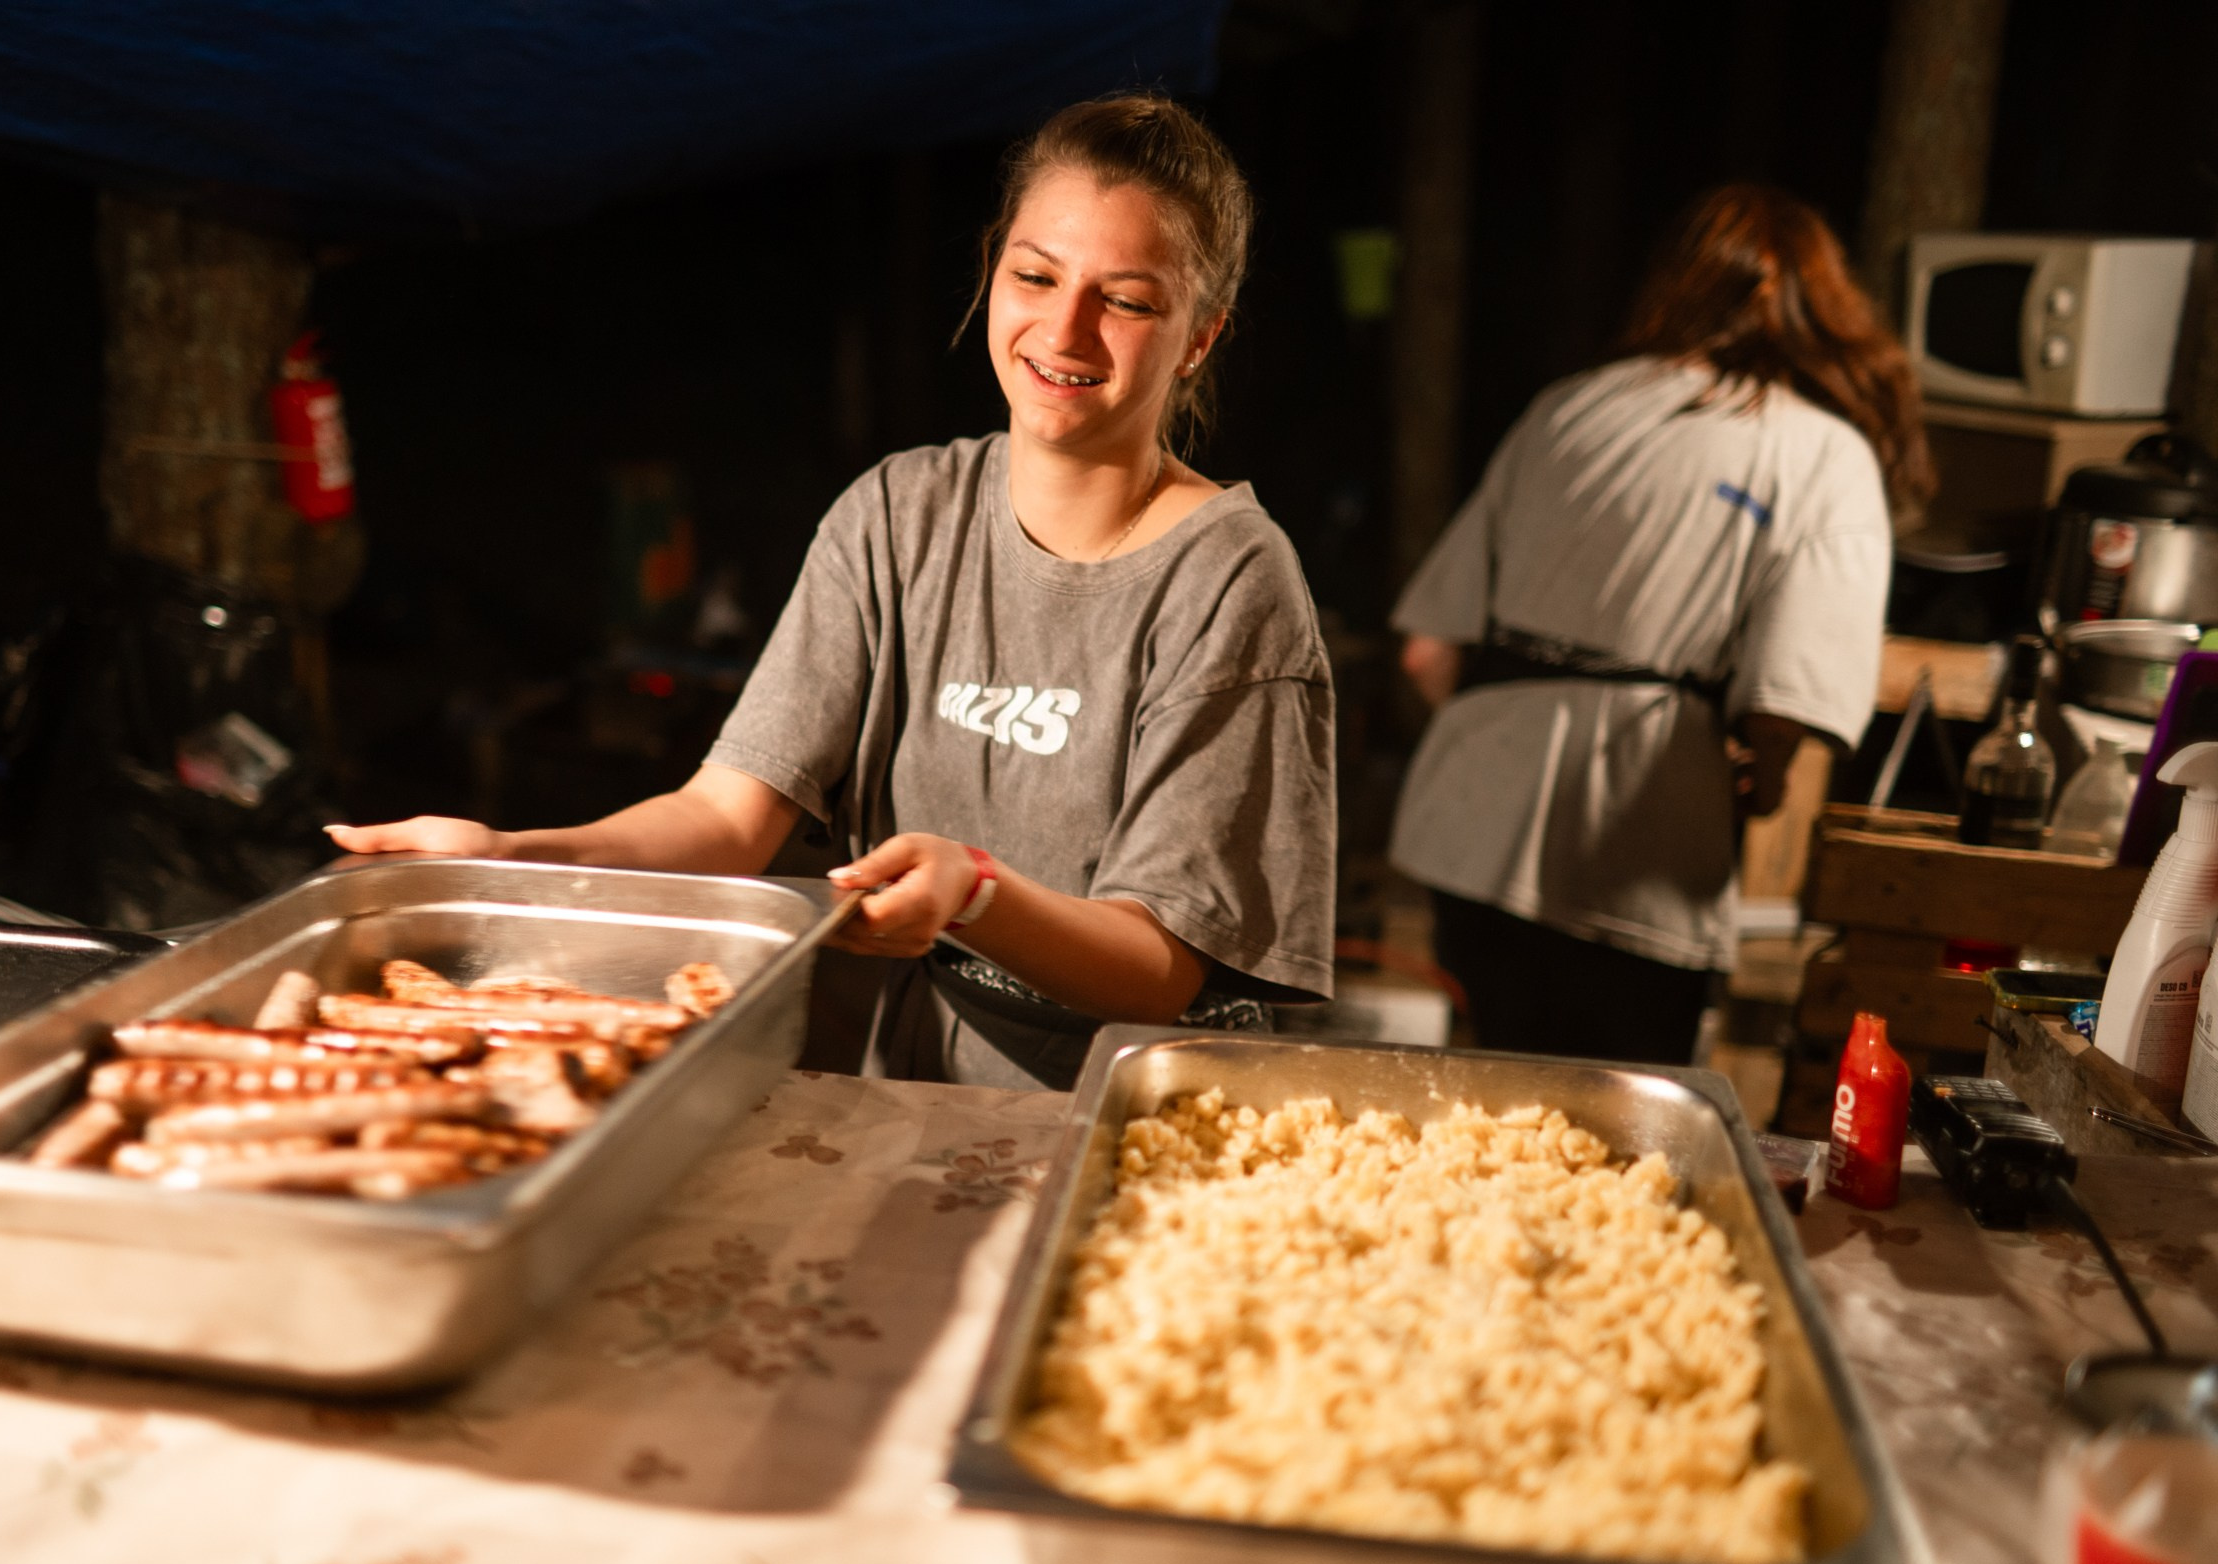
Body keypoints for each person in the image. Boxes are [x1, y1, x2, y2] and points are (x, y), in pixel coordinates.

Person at [329, 93, 1336, 1090]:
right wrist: (507, 856)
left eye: (1125, 299)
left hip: (1111, 1105)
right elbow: (727, 822)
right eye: (1035, 275)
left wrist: (976, 896)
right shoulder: (897, 516)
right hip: (889, 1096)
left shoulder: (1228, 580)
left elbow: (1158, 969)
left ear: (1198, 336)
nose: (1064, 329)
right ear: (994, 271)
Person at [1388, 183, 1932, 1065]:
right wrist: (1752, 786)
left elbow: (1425, 652)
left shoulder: (1568, 409)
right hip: (1640, 847)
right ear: (1828, 312)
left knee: (1486, 1110)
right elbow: (1783, 710)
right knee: (1620, 1138)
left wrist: (1509, 747)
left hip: (1469, 826)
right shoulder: (1824, 455)